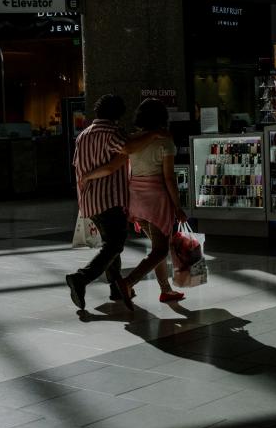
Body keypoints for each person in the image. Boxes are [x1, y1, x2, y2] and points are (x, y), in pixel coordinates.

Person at [81, 98, 188, 306]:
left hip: (135, 200)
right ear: (162, 118)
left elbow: (115, 166)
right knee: (160, 250)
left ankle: (166, 290)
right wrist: (177, 206)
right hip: (156, 199)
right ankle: (128, 282)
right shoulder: (165, 142)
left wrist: (88, 176)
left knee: (157, 248)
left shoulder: (132, 141)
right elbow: (168, 178)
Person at [65, 94, 166, 310]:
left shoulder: (83, 135)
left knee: (111, 244)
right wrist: (156, 133)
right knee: (115, 244)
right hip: (109, 199)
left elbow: (77, 165)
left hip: (89, 201)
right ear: (119, 114)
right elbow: (128, 149)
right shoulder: (113, 132)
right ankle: (81, 278)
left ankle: (115, 288)